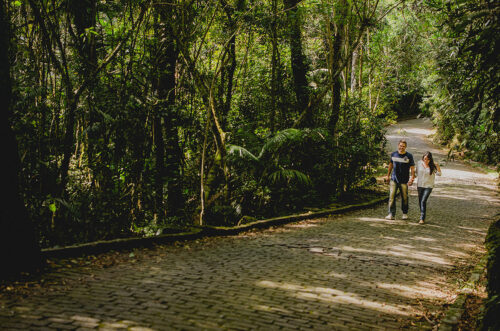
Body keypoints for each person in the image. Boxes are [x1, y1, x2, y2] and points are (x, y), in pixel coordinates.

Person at [385, 139, 415, 220]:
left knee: (405, 197)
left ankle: (404, 213)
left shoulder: (409, 156)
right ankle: (391, 214)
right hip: (394, 179)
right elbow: (390, 165)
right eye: (401, 146)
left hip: (404, 180)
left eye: (403, 146)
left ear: (406, 147)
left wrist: (412, 177)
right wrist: (387, 175)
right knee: (391, 196)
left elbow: (412, 168)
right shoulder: (393, 154)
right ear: (398, 145)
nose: (402, 147)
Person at [415, 151, 441, 224]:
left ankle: (422, 218)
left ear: (430, 159)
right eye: (425, 159)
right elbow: (416, 172)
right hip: (420, 185)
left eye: (428, 159)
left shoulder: (433, 166)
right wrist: (412, 178)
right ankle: (422, 214)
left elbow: (439, 174)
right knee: (420, 201)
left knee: (423, 200)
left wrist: (438, 166)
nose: (426, 161)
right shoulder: (419, 163)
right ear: (423, 158)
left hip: (428, 186)